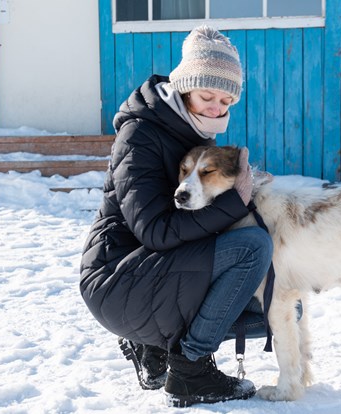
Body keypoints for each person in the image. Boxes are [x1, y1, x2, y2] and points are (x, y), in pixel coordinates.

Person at [79, 25, 273, 407]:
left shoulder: (194, 133)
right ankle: (190, 370)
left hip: (152, 273)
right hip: (117, 281)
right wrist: (235, 201)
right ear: (184, 87)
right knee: (251, 248)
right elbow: (155, 231)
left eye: (226, 102)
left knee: (273, 298)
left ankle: (154, 348)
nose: (217, 109)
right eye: (207, 96)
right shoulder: (140, 136)